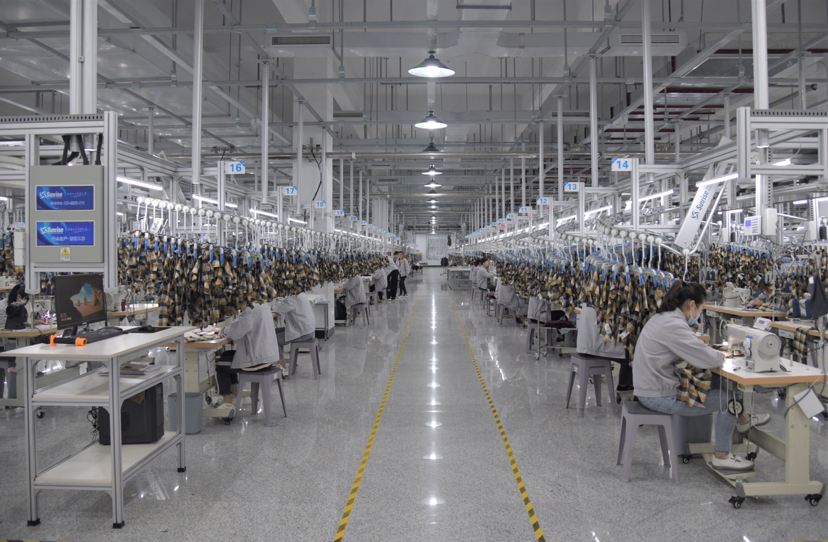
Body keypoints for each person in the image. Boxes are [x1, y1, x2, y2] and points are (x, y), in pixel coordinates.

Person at [633, 280, 770, 472]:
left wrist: (713, 354)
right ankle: (723, 454)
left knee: (720, 380)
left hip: (654, 383)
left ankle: (743, 419)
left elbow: (696, 351)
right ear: (692, 305)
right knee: (729, 399)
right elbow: (708, 358)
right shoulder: (674, 325)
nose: (700, 313)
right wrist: (722, 355)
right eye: (701, 308)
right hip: (657, 394)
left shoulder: (665, 318)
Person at [214, 303, 281, 411]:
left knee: (220, 364)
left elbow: (236, 332)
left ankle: (228, 404)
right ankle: (235, 394)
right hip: (267, 355)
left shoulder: (249, 309)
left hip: (257, 359)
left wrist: (222, 330)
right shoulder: (262, 304)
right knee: (226, 355)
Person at [577, 304, 632, 392]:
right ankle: (628, 387)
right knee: (634, 353)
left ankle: (624, 385)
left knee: (630, 347)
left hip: (584, 344)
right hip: (597, 345)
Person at [272, 293, 316, 377]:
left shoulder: (292, 299)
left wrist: (272, 306)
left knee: (274, 340)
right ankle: (288, 362)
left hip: (302, 332)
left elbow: (280, 308)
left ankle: (283, 368)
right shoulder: (301, 295)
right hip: (307, 330)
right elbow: (285, 303)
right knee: (274, 332)